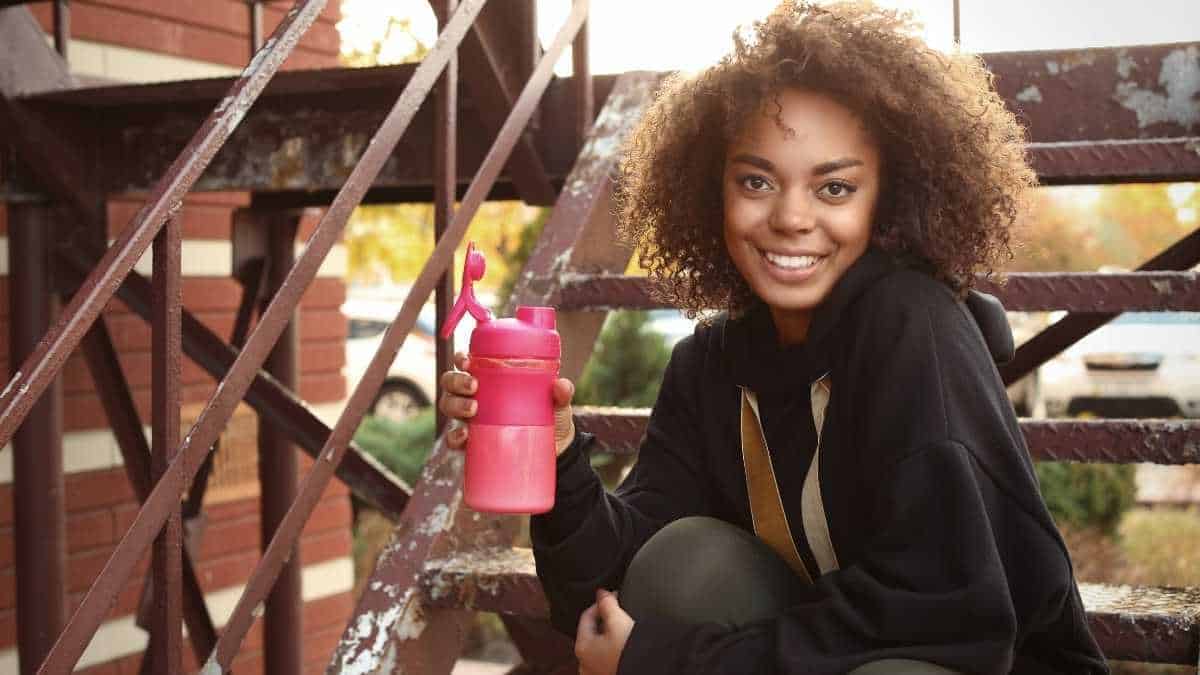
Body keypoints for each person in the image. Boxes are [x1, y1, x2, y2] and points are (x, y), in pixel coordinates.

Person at [439, 1, 1109, 673]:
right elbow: (615, 591)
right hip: (842, 649)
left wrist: (670, 660)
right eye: (756, 180)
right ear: (713, 189)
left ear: (888, 198)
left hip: (970, 659)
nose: (791, 217)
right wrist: (555, 457)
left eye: (835, 188)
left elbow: (937, 614)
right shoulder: (711, 365)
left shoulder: (914, 329)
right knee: (684, 565)